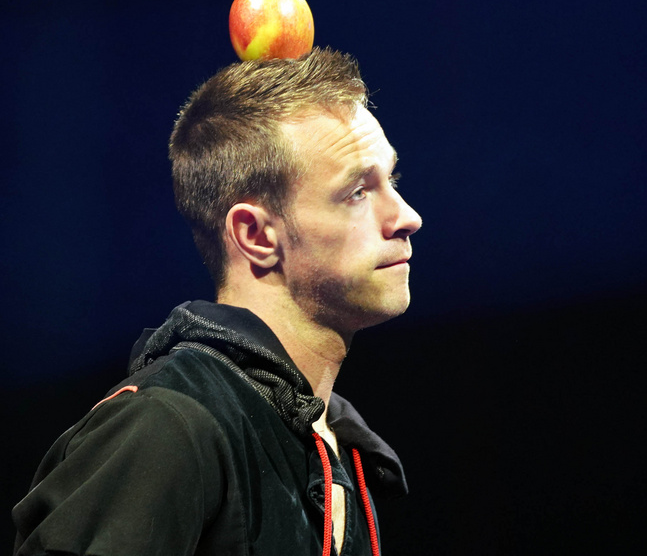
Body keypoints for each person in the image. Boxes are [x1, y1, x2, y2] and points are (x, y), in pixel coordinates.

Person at [13, 47, 421, 556]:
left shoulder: (336, 448)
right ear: (255, 234)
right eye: (358, 191)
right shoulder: (166, 428)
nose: (406, 216)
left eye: (392, 181)